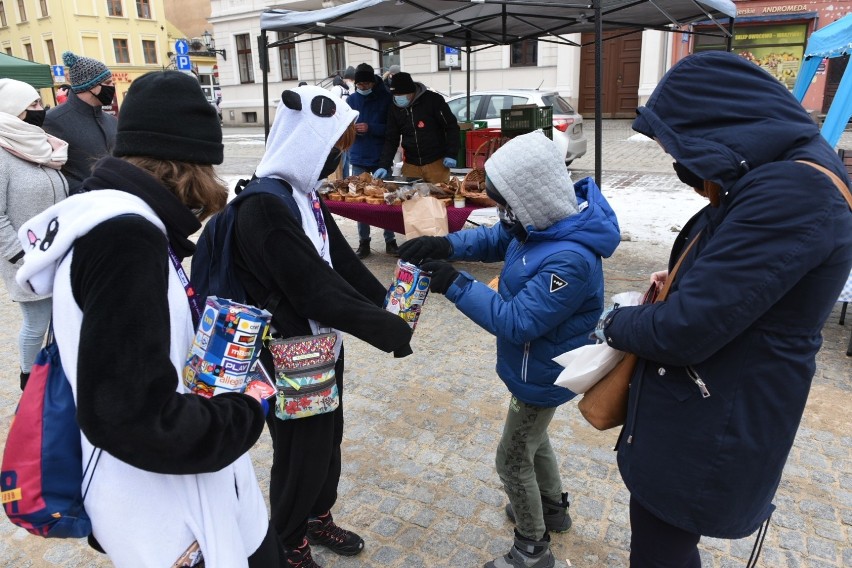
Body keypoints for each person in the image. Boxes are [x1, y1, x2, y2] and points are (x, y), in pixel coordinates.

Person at [593, 51, 852, 567]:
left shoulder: (793, 189)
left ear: (719, 123)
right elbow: (756, 285)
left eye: (678, 143)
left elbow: (683, 331)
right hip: (708, 403)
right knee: (660, 540)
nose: (678, 160)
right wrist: (689, 277)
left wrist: (612, 323)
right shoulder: (781, 172)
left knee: (661, 549)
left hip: (715, 418)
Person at [15, 71, 281, 567]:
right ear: (191, 167)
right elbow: (133, 417)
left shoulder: (111, 221)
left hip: (152, 489)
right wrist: (244, 409)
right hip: (162, 505)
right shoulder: (125, 237)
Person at [398, 130, 621, 568]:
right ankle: (552, 509)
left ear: (530, 197)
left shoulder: (570, 258)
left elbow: (518, 322)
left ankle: (531, 547)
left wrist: (455, 283)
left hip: (541, 372)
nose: (503, 213)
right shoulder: (540, 224)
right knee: (534, 441)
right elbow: (494, 240)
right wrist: (445, 243)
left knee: (512, 457)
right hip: (531, 370)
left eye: (505, 204)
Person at [227, 85, 414, 567]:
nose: (338, 158)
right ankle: (287, 542)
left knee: (327, 441)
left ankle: (315, 516)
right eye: (336, 146)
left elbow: (341, 265)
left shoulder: (303, 195)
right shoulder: (266, 204)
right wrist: (383, 329)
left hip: (317, 347)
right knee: (300, 452)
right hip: (287, 353)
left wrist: (389, 306)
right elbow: (313, 289)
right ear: (314, 144)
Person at [0, 79, 69, 391]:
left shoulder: (42, 146)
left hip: (57, 254)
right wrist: (22, 256)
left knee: (63, 320)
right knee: (36, 324)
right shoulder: (3, 154)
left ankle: (59, 377)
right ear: (16, 111)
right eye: (35, 106)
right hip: (26, 260)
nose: (43, 111)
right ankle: (29, 383)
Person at [42, 51, 117, 195]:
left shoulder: (112, 121)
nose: (112, 87)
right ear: (90, 86)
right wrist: (84, 192)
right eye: (108, 83)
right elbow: (49, 172)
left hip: (117, 203)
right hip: (81, 208)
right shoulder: (52, 120)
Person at [347, 62, 397, 258]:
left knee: (387, 200)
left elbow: (391, 130)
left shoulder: (385, 98)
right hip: (358, 157)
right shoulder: (351, 100)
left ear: (372, 82)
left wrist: (371, 127)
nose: (363, 88)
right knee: (360, 203)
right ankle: (364, 242)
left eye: (367, 84)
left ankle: (390, 240)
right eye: (360, 85)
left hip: (380, 158)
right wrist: (353, 130)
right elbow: (343, 128)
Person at [374, 72, 460, 184]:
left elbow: (451, 127)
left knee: (439, 196)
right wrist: (383, 165)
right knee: (411, 198)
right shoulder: (394, 108)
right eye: (396, 96)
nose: (399, 99)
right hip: (411, 164)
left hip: (436, 162)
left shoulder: (433, 100)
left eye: (402, 95)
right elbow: (391, 138)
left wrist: (451, 154)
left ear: (412, 91)